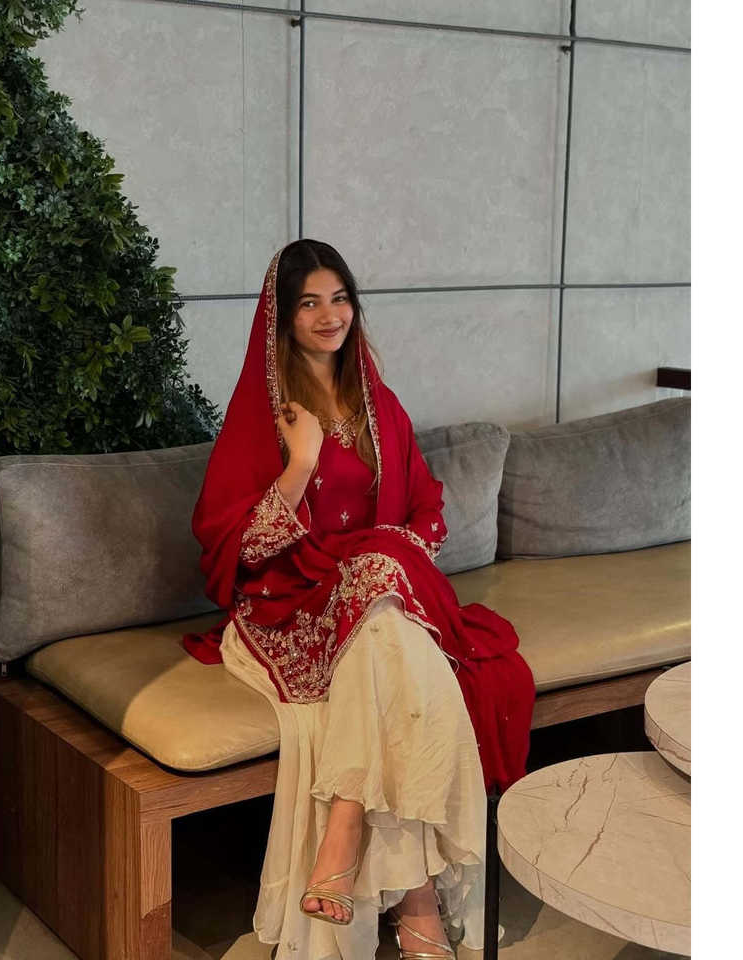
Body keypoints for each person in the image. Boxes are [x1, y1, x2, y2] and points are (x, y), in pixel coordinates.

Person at [183, 239, 535, 960]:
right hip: (290, 604)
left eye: (339, 298)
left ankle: (345, 829)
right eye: (309, 303)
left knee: (381, 611)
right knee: (396, 639)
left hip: (375, 601)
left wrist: (383, 555)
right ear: (282, 318)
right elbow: (238, 549)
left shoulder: (380, 406)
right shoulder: (265, 415)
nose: (329, 315)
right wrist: (303, 459)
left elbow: (428, 510)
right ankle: (419, 908)